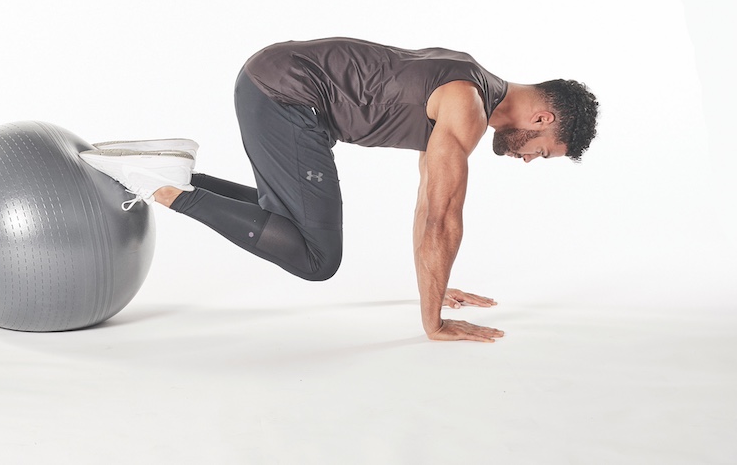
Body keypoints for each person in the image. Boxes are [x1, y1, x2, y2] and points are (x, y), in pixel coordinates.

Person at [81, 37, 599, 343]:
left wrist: (434, 290)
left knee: (285, 226)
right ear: (542, 117)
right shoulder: (466, 105)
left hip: (274, 88)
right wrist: (432, 321)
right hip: (286, 97)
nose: (530, 158)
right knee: (316, 257)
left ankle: (168, 173)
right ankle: (160, 186)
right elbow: (445, 217)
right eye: (543, 149)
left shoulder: (469, 85)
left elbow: (426, 207)